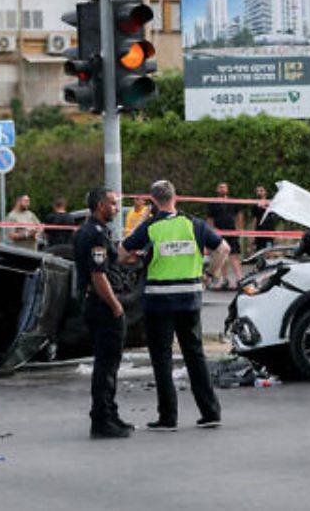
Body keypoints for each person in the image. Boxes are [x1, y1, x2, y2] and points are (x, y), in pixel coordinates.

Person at [121, 180, 226, 432]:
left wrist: (142, 244)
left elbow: (123, 252)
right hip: (190, 300)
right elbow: (223, 248)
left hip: (159, 302)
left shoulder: (151, 227)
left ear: (153, 201)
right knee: (195, 355)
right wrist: (209, 275)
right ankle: (210, 412)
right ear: (175, 197)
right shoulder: (194, 224)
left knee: (162, 359)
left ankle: (168, 418)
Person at [73, 187, 131, 439]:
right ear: (100, 206)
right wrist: (115, 305)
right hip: (103, 306)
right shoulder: (95, 234)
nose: (116, 208)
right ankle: (102, 420)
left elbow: (106, 263)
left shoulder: (91, 231)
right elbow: (98, 275)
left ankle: (110, 413)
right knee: (106, 365)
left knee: (108, 364)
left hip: (96, 304)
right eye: (113, 203)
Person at [206, 182, 243, 290]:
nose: (223, 189)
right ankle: (225, 279)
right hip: (219, 233)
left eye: (224, 187)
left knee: (234, 255)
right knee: (222, 256)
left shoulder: (233, 201)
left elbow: (239, 215)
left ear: (227, 189)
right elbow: (209, 219)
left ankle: (240, 279)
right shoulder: (213, 203)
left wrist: (239, 229)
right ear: (217, 190)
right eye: (220, 187)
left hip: (232, 232)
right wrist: (212, 230)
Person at [250, 185, 277, 254]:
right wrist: (252, 234)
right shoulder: (254, 205)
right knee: (259, 252)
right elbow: (254, 220)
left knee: (269, 251)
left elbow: (274, 216)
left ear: (265, 192)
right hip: (259, 232)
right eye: (257, 191)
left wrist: (264, 207)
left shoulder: (271, 203)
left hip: (269, 232)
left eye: (261, 191)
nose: (259, 192)